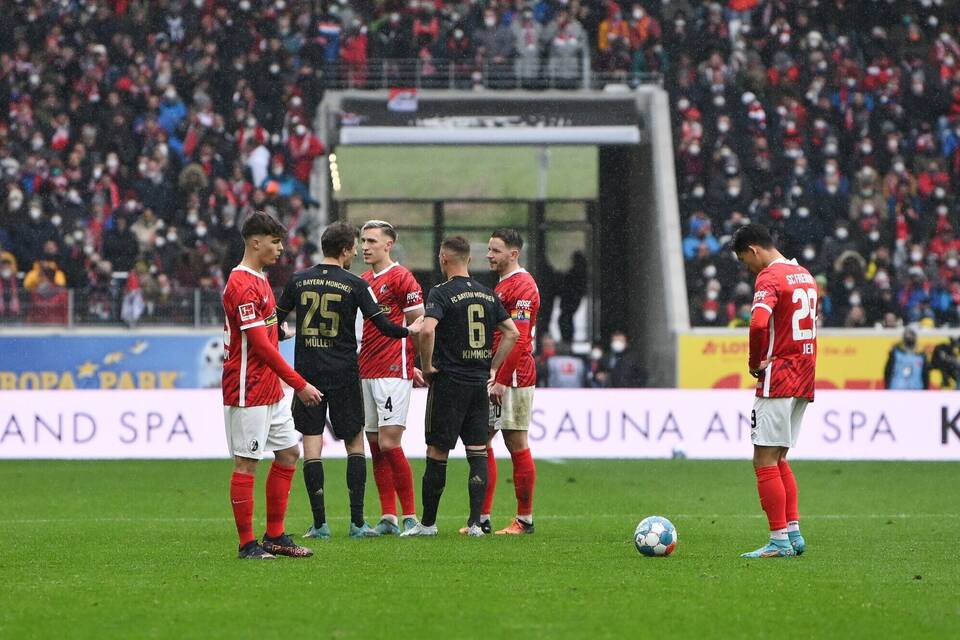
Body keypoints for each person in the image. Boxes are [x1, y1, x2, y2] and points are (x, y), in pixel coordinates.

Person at [276, 222, 423, 540]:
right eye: (356, 246)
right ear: (344, 250)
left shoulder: (298, 280)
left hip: (308, 376)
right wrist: (408, 332)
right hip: (344, 374)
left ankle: (320, 525)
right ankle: (357, 523)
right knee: (355, 444)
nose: (359, 250)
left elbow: (275, 321)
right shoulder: (355, 284)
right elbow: (383, 324)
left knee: (312, 447)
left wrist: (284, 333)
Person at [401, 236, 520, 537]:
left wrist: (427, 365)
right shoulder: (487, 294)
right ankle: (476, 523)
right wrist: (493, 366)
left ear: (443, 258)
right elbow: (512, 333)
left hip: (449, 383)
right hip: (478, 383)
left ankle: (427, 524)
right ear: (468, 260)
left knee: (437, 451)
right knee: (477, 451)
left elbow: (427, 329)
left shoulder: (440, 293)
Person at [221, 212, 322, 560]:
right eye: (275, 241)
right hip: (248, 387)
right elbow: (258, 346)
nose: (281, 248)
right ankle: (247, 544)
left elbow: (267, 332)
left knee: (289, 453)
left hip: (270, 388)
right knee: (246, 462)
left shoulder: (261, 279)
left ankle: (275, 536)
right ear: (255, 242)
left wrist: (282, 332)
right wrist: (299, 383)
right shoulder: (241, 284)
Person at [733, 223, 817, 559]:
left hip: (778, 375)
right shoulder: (804, 275)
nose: (747, 267)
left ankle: (778, 540)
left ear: (753, 250)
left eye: (744, 260)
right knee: (779, 456)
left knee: (763, 460)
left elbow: (757, 322)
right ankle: (793, 533)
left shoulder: (769, 277)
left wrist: (756, 362)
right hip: (804, 375)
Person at [357, 220, 425, 536]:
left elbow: (420, 324)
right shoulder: (364, 280)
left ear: (389, 244)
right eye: (362, 241)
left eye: (372, 241)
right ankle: (388, 516)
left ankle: (411, 516)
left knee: (389, 441)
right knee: (374, 444)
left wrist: (417, 362)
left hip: (392, 371)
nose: (365, 246)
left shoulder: (402, 278)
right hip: (366, 369)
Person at [475, 228, 541, 535]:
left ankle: (524, 519)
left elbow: (520, 337)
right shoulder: (503, 285)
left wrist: (501, 379)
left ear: (513, 254)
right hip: (497, 373)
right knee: (481, 440)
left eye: (495, 250)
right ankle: (482, 517)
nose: (489, 254)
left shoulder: (523, 286)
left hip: (513, 376)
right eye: (489, 249)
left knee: (515, 442)